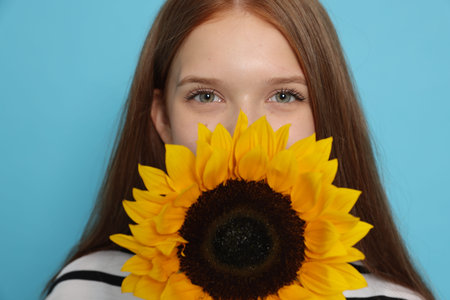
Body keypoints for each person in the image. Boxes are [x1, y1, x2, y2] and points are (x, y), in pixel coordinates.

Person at [44, 0, 435, 299]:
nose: (244, 132)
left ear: (324, 114)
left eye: (284, 95)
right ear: (162, 118)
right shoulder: (85, 290)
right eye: (206, 96)